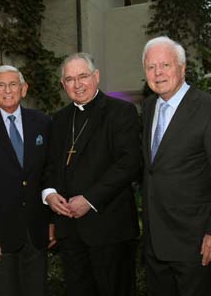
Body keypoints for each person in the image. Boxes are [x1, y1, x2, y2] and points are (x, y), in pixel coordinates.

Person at [141, 36, 211, 296]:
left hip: (194, 244)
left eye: (165, 65)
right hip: (155, 243)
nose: (158, 73)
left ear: (183, 68)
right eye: (151, 67)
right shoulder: (149, 107)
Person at [42, 52, 141, 296]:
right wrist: (50, 193)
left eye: (83, 76)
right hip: (70, 231)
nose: (77, 84)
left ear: (95, 76)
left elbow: (129, 163)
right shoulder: (59, 119)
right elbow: (51, 165)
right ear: (63, 85)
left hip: (110, 228)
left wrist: (89, 199)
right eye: (70, 79)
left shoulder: (121, 112)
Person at [0, 65, 53, 296]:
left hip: (36, 231)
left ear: (23, 89)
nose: (7, 90)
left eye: (13, 84)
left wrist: (53, 222)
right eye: (1, 85)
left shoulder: (43, 123)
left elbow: (49, 174)